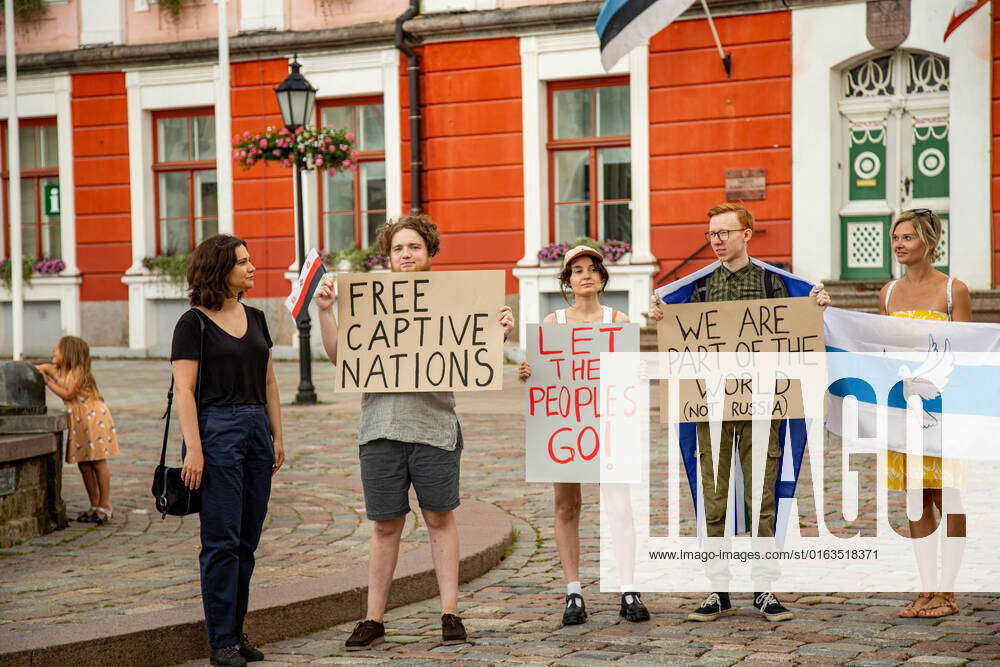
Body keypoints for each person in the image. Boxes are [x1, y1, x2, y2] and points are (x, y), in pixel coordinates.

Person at [314, 214, 515, 650]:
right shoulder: (367, 301)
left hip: (435, 429)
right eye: (398, 249)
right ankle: (373, 618)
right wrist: (325, 312)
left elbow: (478, 357)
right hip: (380, 430)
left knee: (440, 519)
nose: (406, 255)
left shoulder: (456, 299)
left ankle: (450, 612)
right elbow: (337, 358)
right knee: (385, 527)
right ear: (388, 256)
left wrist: (498, 333)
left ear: (429, 253)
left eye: (414, 248)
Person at [649, 203, 830, 623]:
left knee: (761, 495)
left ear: (747, 234)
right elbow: (676, 330)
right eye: (711, 233)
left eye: (725, 233)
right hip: (712, 409)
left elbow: (801, 325)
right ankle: (718, 588)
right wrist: (662, 314)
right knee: (714, 498)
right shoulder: (699, 288)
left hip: (764, 408)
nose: (716, 241)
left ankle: (764, 588)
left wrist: (817, 305)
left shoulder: (772, 283)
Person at [517, 245, 651, 626]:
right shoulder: (553, 323)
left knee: (619, 505)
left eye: (592, 268)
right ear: (568, 280)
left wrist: (638, 370)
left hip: (608, 423)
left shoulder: (618, 319)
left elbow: (627, 373)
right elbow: (543, 374)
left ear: (602, 277)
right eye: (576, 271)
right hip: (566, 425)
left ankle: (628, 587)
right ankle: (573, 589)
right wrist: (529, 372)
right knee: (566, 506)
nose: (585, 275)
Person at [171, 234, 285, 667]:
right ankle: (221, 642)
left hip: (256, 428)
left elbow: (270, 381)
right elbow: (184, 390)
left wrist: (278, 435)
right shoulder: (193, 322)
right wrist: (194, 450)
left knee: (247, 540)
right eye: (243, 261)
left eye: (251, 259)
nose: (253, 267)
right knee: (221, 541)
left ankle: (237, 633)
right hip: (215, 430)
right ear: (220, 270)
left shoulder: (256, 317)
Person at [879, 209, 969, 619]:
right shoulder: (888, 293)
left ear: (929, 243)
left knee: (946, 495)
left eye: (908, 237)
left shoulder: (953, 291)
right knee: (915, 498)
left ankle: (948, 592)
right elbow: (880, 351)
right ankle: (926, 589)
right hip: (904, 409)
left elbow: (968, 354)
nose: (899, 243)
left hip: (945, 409)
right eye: (896, 237)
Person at [36, 336, 118, 525]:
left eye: (57, 348)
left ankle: (105, 505)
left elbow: (68, 393)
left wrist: (47, 382)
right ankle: (95, 505)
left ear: (68, 352)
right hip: (79, 421)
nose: (53, 351)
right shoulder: (59, 370)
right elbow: (40, 368)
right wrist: (40, 371)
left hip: (94, 418)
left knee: (98, 462)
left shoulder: (79, 371)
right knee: (84, 464)